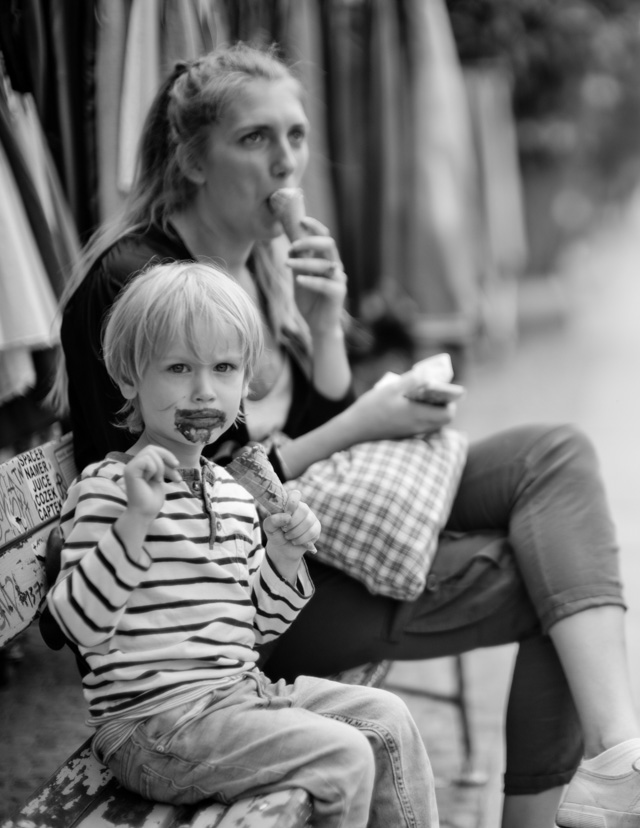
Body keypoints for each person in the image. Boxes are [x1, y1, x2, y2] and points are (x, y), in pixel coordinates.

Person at [50, 43, 640, 828]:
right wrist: (368, 419)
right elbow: (222, 476)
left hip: (271, 556)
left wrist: (326, 330)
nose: (286, 163)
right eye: (256, 139)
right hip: (188, 625)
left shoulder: (262, 265)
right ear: (191, 160)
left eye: (296, 136)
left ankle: (616, 755)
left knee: (555, 454)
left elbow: (288, 444)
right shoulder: (145, 287)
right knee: (548, 583)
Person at [46, 261, 439, 828]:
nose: (204, 389)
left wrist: (282, 557)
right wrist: (136, 521)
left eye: (224, 368)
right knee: (344, 756)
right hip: (154, 727)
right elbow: (78, 625)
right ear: (130, 378)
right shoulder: (109, 488)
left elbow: (254, 627)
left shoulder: (230, 492)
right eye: (178, 368)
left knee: (387, 718)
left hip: (237, 698)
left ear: (244, 383)